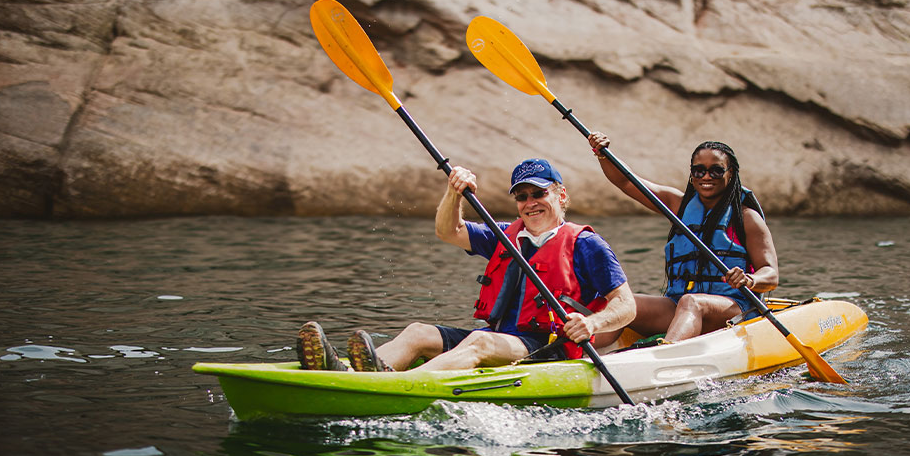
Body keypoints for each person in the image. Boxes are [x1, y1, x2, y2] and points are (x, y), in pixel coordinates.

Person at [297, 158, 637, 372]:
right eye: (522, 196)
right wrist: (454, 192)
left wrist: (592, 324)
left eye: (539, 194)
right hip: (503, 336)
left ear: (561, 196)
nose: (530, 203)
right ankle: (344, 373)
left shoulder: (587, 244)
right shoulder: (506, 235)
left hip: (548, 347)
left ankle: (397, 385)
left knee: (479, 343)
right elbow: (449, 230)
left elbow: (626, 305)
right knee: (418, 331)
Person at [587, 133, 778, 344]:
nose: (706, 177)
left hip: (733, 309)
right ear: (692, 174)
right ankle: (573, 353)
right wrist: (602, 153)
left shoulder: (747, 219)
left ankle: (666, 355)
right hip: (679, 306)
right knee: (624, 303)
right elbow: (626, 181)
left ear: (730, 173)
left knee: (692, 302)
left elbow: (771, 274)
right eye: (699, 170)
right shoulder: (679, 206)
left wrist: (750, 280)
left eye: (716, 170)